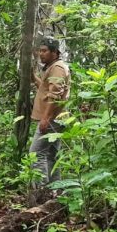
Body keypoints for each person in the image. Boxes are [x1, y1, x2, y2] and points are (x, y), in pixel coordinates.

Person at [29, 38, 70, 186]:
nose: (41, 54)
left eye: (45, 51)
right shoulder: (53, 67)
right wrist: (33, 77)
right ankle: (55, 190)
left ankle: (41, 190)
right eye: (40, 51)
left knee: (36, 154)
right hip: (57, 118)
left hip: (52, 118)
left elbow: (55, 95)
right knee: (52, 155)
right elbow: (46, 89)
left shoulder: (57, 68)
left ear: (55, 52)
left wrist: (46, 118)